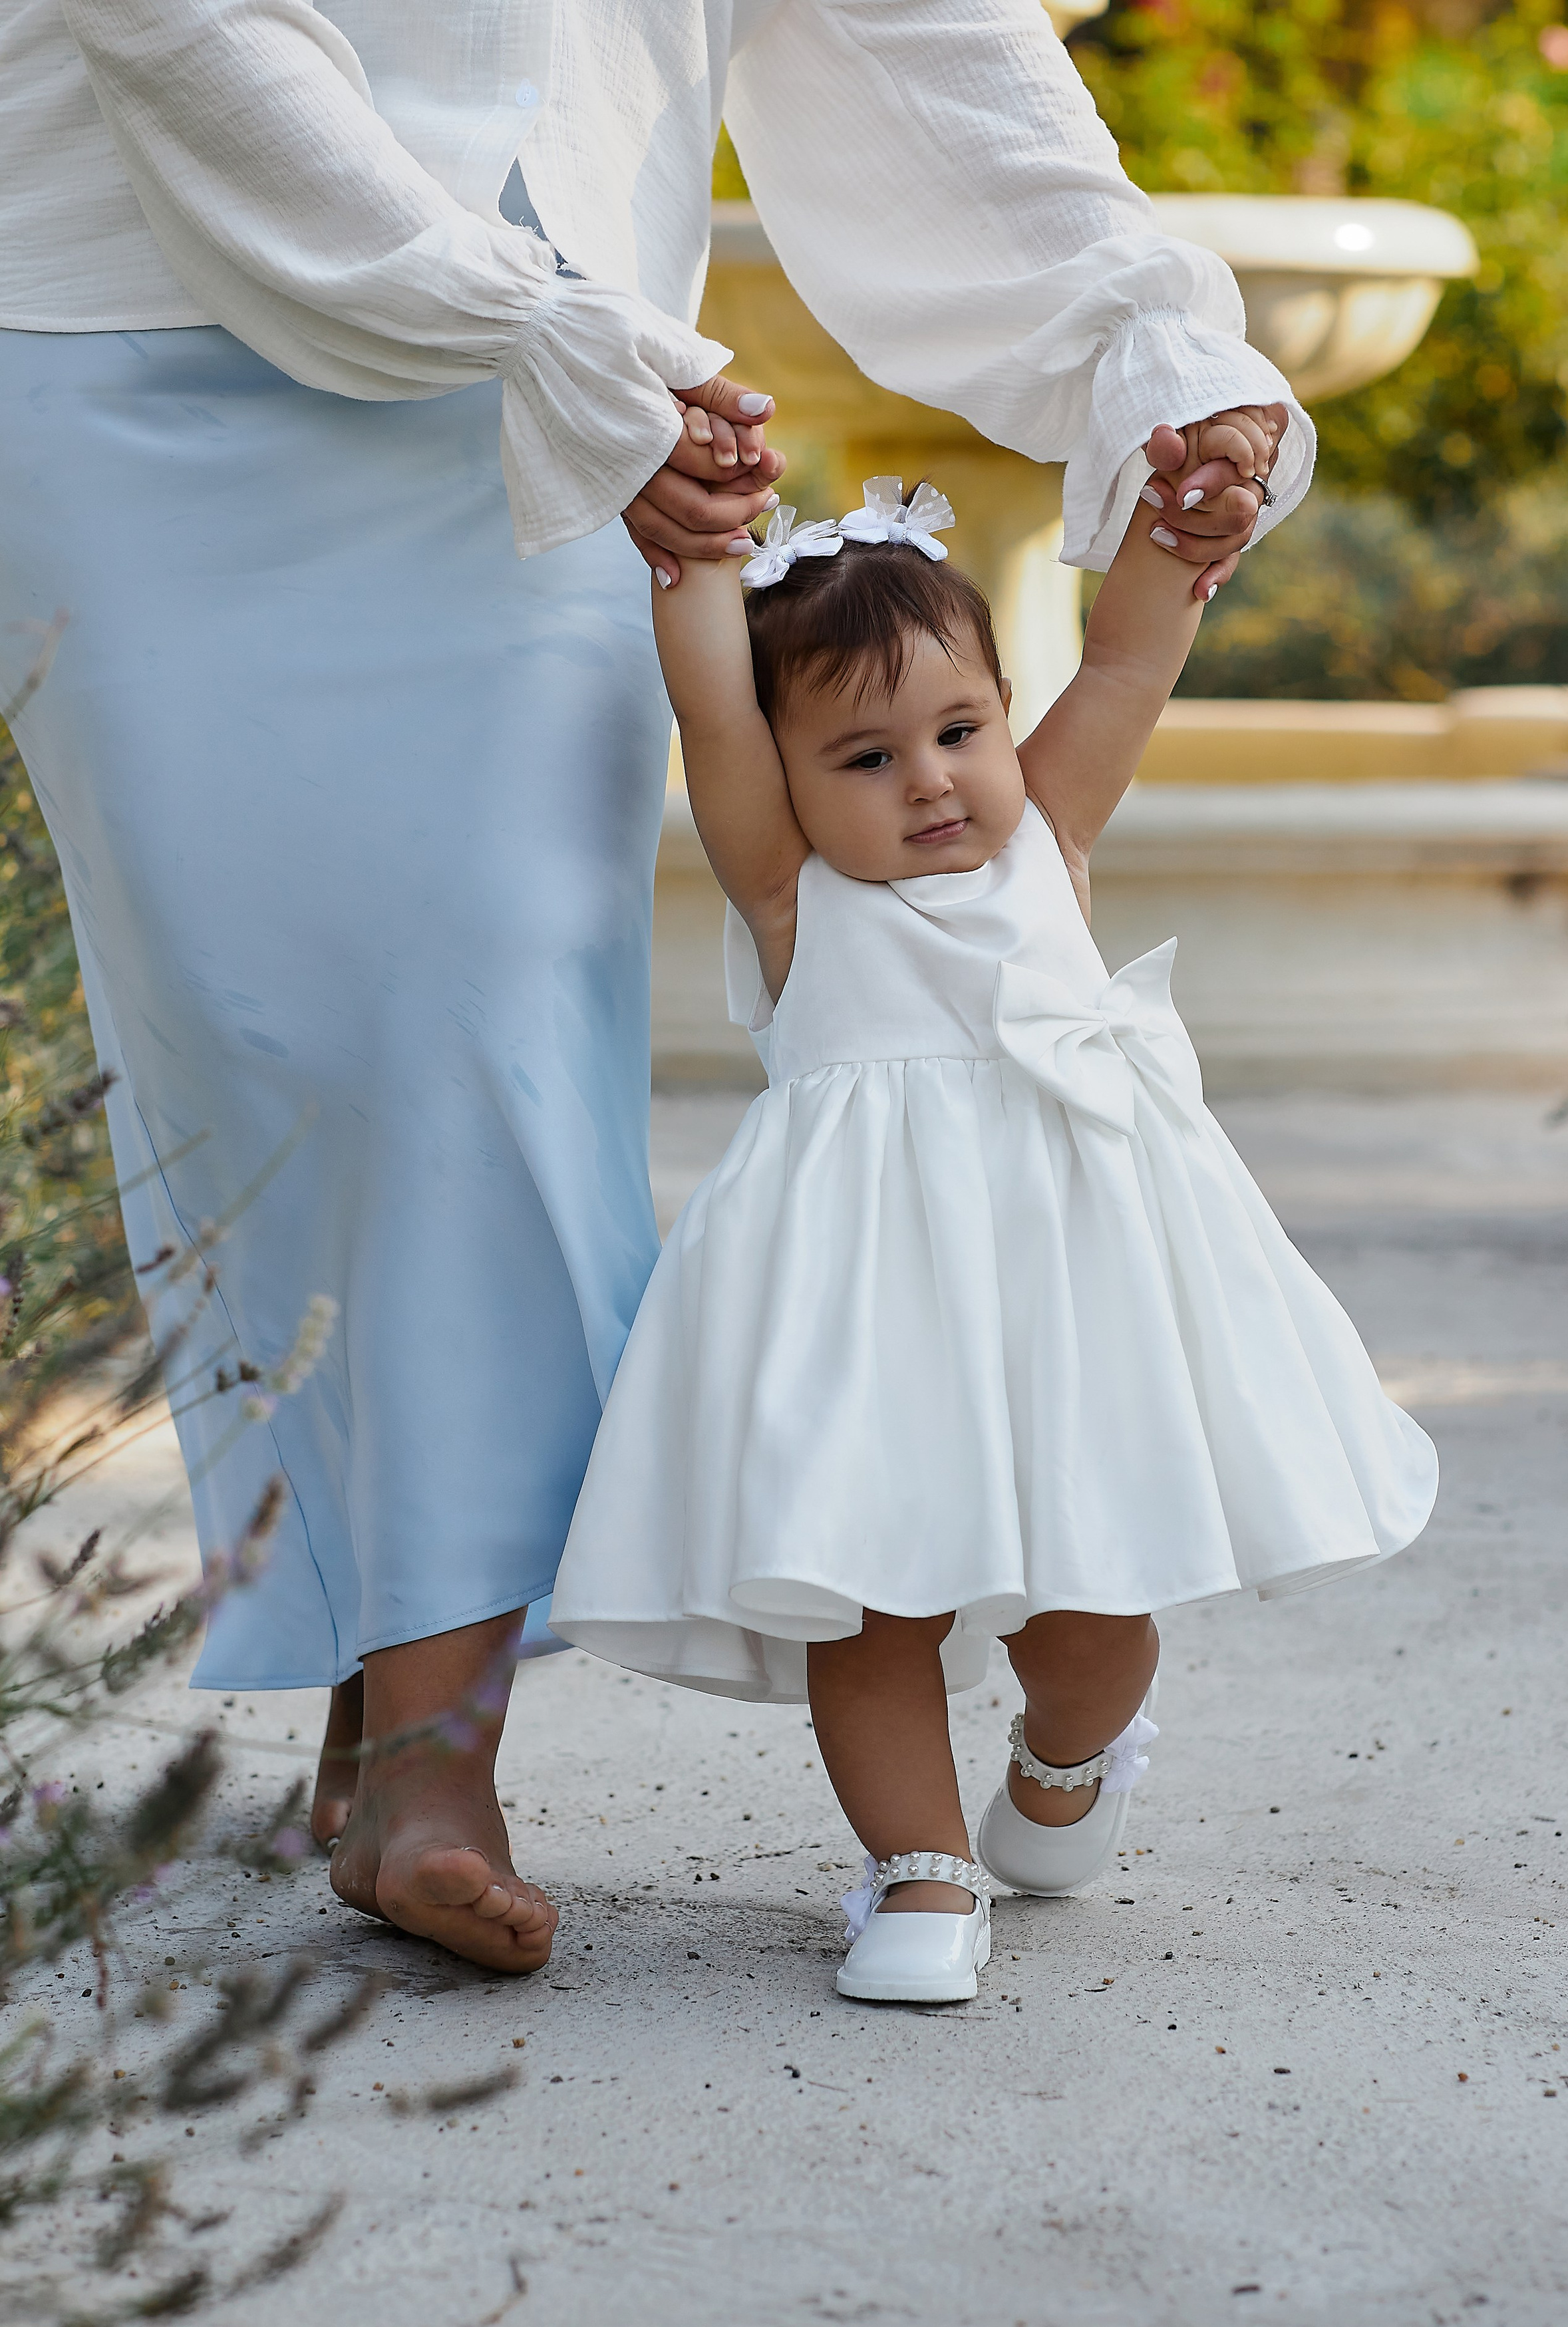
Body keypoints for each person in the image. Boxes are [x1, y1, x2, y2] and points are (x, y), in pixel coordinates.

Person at [0, 0, 1312, 1976]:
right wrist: (501, 313)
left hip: (574, 381)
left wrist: (1157, 362)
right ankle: (388, 1642)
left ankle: (432, 1746)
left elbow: (917, 39)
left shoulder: (997, 838)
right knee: (277, 1046)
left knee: (476, 1015)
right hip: (127, 314)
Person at [550, 463, 1438, 2004]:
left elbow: (1127, 659)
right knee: (867, 1600)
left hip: (1064, 1301)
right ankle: (920, 1869)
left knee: (1093, 1625)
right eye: (865, 757)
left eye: (959, 732)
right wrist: (691, 553)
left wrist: (1176, 523)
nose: (930, 781)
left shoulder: (1048, 840)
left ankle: (1068, 1757)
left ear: (1002, 717)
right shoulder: (791, 895)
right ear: (786, 779)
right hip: (864, 1313)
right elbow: (709, 711)